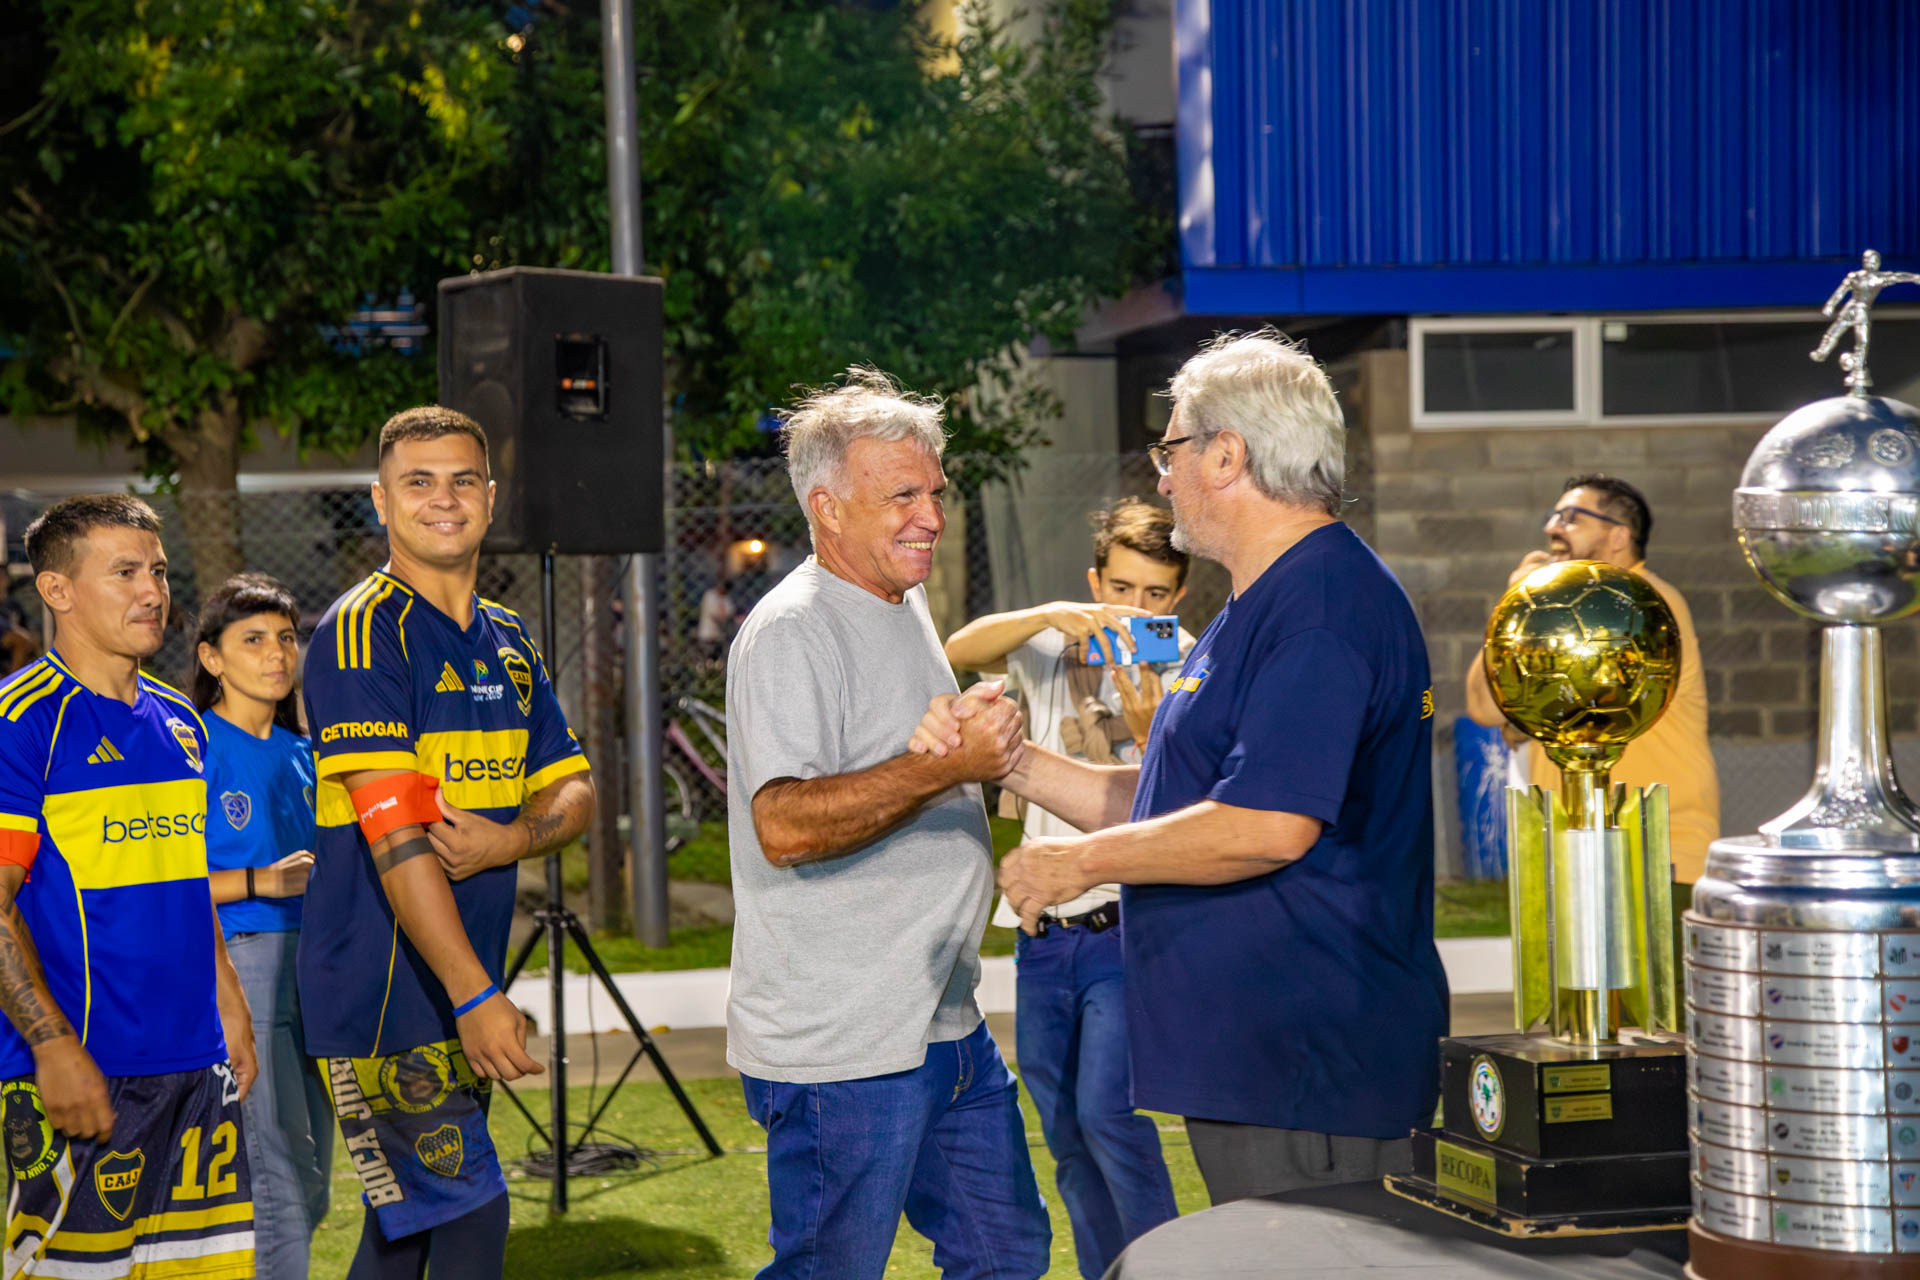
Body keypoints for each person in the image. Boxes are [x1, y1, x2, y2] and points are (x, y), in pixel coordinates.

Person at [917, 331, 1449, 1207]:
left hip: (1308, 1064)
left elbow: (1266, 825)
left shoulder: (1318, 609)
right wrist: (1008, 762)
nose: (1161, 478)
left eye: (1171, 450)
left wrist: (1078, 862)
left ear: (1228, 454)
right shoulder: (1264, 597)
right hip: (1262, 1057)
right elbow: (1180, 802)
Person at [725, 369, 1050, 1279]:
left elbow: (901, 759)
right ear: (827, 508)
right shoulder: (792, 630)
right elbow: (783, 825)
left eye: (934, 491)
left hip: (943, 1024)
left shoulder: (900, 600)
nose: (932, 517)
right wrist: (947, 764)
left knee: (1005, 1251)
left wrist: (959, 735)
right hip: (842, 1046)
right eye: (902, 495)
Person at [299, 406, 595, 1280]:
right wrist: (473, 996)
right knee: (471, 1215)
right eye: (418, 482)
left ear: (491, 497)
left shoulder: (506, 640)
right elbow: (395, 837)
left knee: (406, 1234)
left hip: (455, 985)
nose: (444, 499)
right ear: (382, 503)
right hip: (381, 997)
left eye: (463, 479)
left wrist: (509, 842)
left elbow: (572, 789)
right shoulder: (361, 633)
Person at [0, 494, 257, 1276]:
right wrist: (52, 1049)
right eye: (124, 572)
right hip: (84, 1071)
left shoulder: (181, 721)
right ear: (58, 591)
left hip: (195, 1066)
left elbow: (180, 880)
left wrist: (229, 1000)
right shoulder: (22, 721)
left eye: (158, 570)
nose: (152, 590)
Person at [940, 498, 1190, 1277]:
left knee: (1109, 1115)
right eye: (1121, 588)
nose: (1135, 607)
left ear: (1177, 598)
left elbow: (1189, 795)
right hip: (1045, 933)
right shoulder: (1049, 642)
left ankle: (1163, 1268)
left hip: (1126, 922)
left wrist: (1152, 714)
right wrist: (1054, 612)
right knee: (1065, 1129)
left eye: (1155, 594)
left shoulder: (1183, 657)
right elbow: (959, 646)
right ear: (1095, 581)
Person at [1462, 475, 1720, 889]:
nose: (1552, 528)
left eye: (1571, 518)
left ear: (1618, 536)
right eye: (1553, 516)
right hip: (1571, 852)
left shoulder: (1646, 604)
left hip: (1657, 851)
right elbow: (1484, 706)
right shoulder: (1555, 616)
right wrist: (1515, 604)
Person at [191, 572, 333, 1280]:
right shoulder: (194, 748)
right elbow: (162, 878)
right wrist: (259, 881)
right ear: (212, 658)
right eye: (252, 640)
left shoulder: (306, 754)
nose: (277, 654)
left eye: (286, 638)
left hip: (319, 966)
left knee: (315, 1183)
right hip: (245, 961)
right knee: (276, 1171)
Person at [694, 578, 735, 665]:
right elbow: (714, 613)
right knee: (706, 659)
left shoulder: (726, 598)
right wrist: (723, 615)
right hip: (707, 634)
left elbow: (730, 611)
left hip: (719, 635)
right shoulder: (710, 596)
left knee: (717, 660)